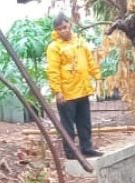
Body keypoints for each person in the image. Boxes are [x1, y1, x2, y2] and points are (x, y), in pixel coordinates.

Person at [45, 13, 103, 159]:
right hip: (67, 93)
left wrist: (97, 75)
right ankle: (71, 153)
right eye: (59, 29)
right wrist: (57, 92)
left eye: (64, 27)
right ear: (56, 31)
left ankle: (87, 148)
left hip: (82, 89)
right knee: (68, 126)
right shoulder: (54, 47)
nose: (63, 31)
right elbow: (53, 71)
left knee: (84, 122)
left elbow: (89, 60)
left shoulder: (80, 42)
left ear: (69, 25)